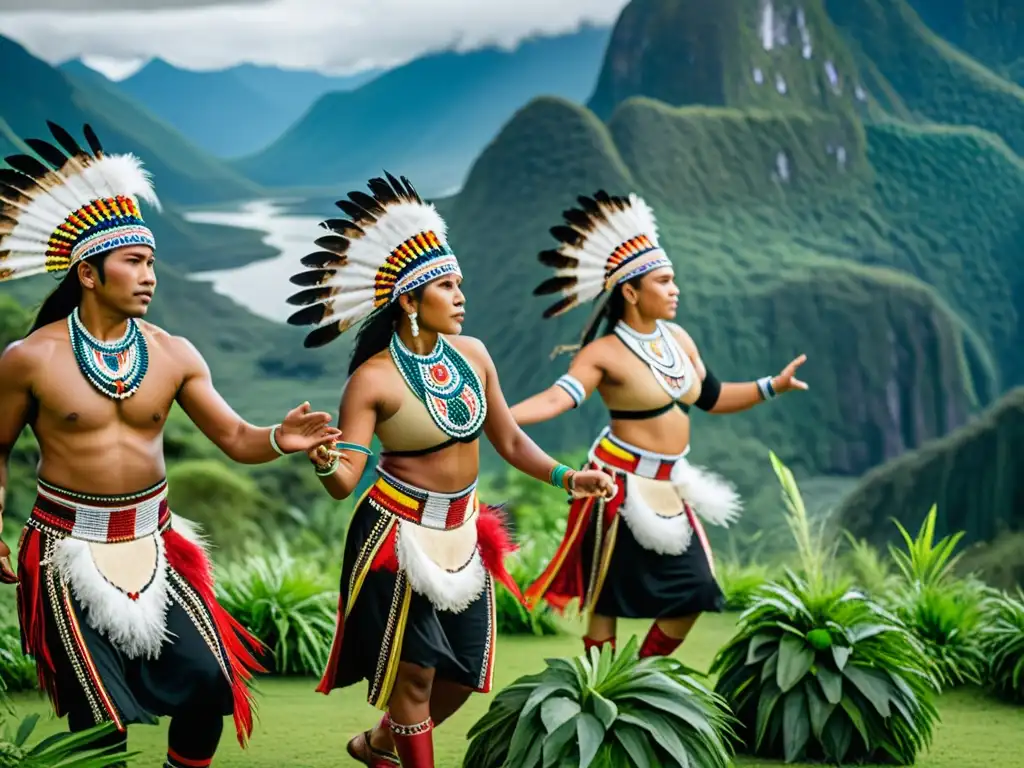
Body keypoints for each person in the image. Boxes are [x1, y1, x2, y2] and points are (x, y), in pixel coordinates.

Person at [0, 121, 342, 767]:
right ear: (89, 274)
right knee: (99, 715)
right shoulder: (30, 359)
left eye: (152, 262)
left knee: (209, 684)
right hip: (65, 548)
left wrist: (283, 437)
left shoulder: (174, 354)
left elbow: (237, 438)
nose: (150, 275)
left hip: (156, 544)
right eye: (134, 262)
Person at [284, 172, 616, 768]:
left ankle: (379, 743)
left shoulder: (474, 355)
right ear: (409, 301)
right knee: (413, 678)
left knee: (461, 677)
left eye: (460, 284)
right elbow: (343, 482)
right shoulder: (373, 380)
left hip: (464, 532)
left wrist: (569, 477)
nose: (462, 296)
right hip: (396, 536)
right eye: (447, 286)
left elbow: (509, 439)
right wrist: (324, 457)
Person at [510, 190, 808, 660]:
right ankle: (601, 688)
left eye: (674, 281)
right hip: (617, 485)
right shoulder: (603, 353)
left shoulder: (680, 339)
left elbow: (713, 396)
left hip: (672, 484)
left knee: (696, 589)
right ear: (630, 292)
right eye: (664, 281)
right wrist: (496, 416)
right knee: (606, 598)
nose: (675, 290)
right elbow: (557, 397)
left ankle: (644, 675)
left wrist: (772, 385)